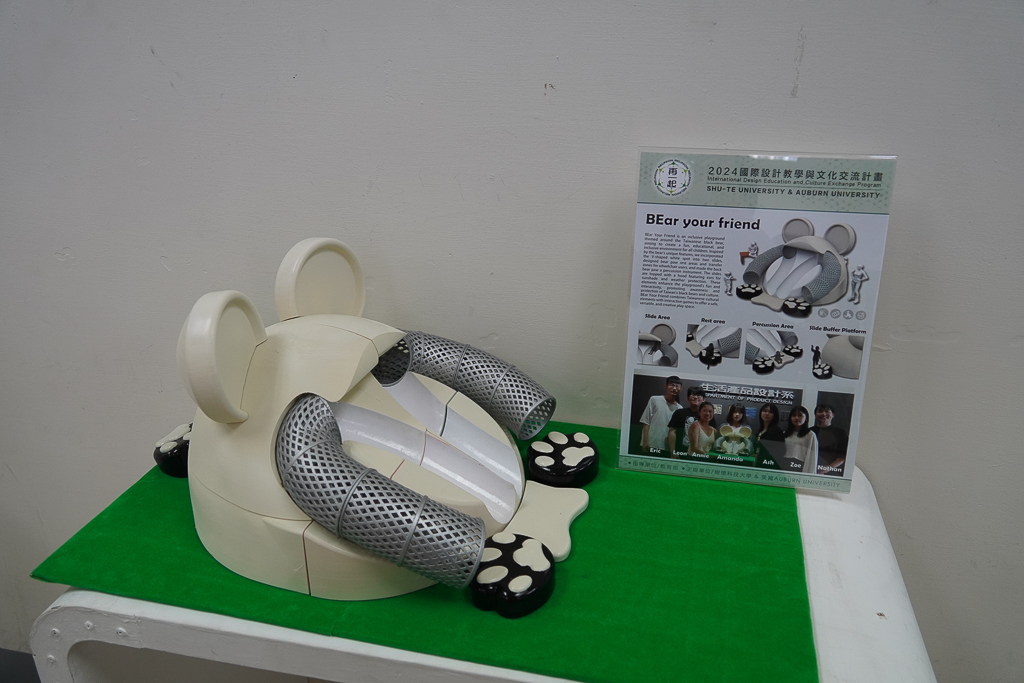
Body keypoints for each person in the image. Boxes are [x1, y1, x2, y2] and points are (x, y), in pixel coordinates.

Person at [667, 386, 718, 457]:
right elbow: (672, 432)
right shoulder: (679, 413)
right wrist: (672, 452)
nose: (696, 397)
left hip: (701, 456)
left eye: (699, 395)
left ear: (703, 399)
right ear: (688, 398)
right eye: (693, 395)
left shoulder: (708, 417)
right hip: (680, 453)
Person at [639, 376, 683, 456]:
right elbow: (646, 421)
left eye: (677, 386)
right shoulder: (654, 399)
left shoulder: (680, 408)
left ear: (680, 389)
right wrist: (645, 441)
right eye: (672, 385)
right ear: (665, 386)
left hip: (667, 446)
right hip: (651, 443)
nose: (674, 388)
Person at [812, 404, 849, 476]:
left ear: (833, 415)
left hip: (833, 472)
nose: (824, 414)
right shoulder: (809, 432)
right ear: (815, 415)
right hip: (810, 470)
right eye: (820, 411)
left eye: (827, 411)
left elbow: (842, 457)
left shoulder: (840, 433)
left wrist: (828, 468)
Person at [782, 406, 818, 473]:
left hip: (801, 465)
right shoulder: (785, 434)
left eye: (800, 415)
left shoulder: (810, 435)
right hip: (785, 464)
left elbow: (812, 457)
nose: (796, 418)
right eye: (794, 415)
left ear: (806, 418)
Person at [754, 403, 785, 468]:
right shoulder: (760, 430)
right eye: (765, 411)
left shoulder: (777, 431)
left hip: (769, 464)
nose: (767, 414)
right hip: (758, 462)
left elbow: (780, 451)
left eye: (770, 412)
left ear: (775, 415)